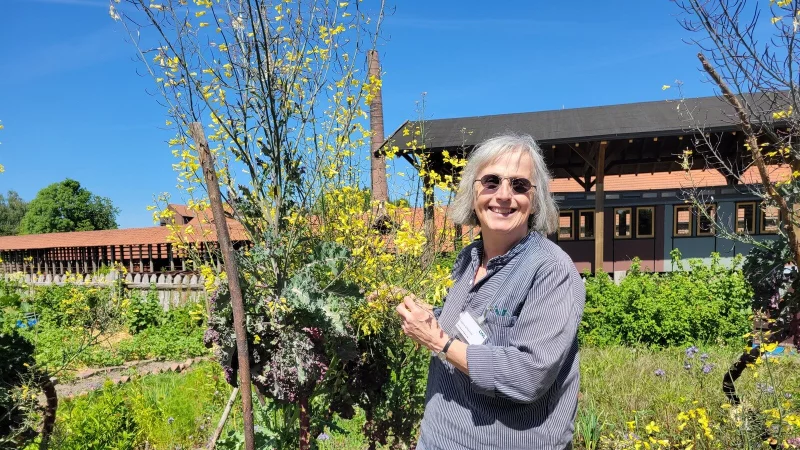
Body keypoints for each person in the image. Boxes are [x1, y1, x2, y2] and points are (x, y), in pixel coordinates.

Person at [395, 133, 585, 450]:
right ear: (474, 193)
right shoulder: (468, 258)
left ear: (535, 200)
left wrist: (437, 342)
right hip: (438, 438)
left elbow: (528, 375)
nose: (504, 195)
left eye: (519, 185)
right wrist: (426, 313)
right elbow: (465, 324)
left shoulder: (551, 270)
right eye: (492, 182)